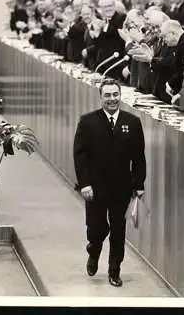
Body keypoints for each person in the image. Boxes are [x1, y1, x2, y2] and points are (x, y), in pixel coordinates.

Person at [73, 78, 146, 287]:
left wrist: (139, 185)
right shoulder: (87, 122)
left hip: (122, 188)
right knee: (96, 228)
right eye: (108, 95)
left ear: (120, 96)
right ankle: (93, 250)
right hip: (94, 188)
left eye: (115, 95)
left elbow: (139, 157)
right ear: (101, 97)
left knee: (118, 230)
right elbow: (79, 156)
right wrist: (84, 184)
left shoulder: (132, 122)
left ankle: (114, 270)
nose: (112, 99)